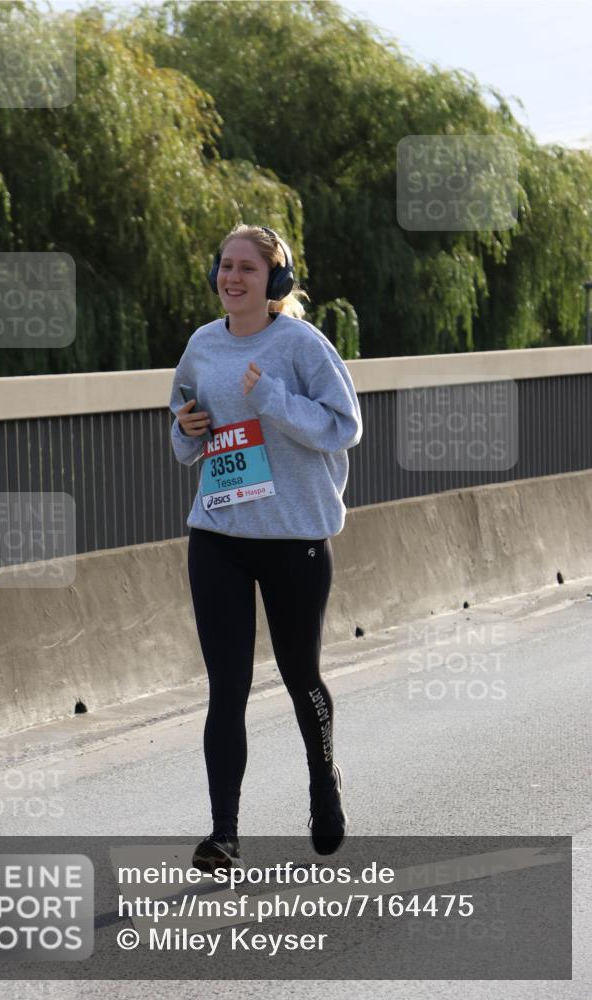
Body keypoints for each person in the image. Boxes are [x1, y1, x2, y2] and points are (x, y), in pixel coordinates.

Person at [168, 223, 363, 873]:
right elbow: (185, 436)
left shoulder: (301, 345)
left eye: (248, 268)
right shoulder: (200, 346)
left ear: (274, 281)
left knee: (299, 672)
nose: (233, 277)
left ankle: (323, 780)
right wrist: (187, 428)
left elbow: (344, 427)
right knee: (227, 686)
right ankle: (224, 834)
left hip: (294, 536)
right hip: (219, 534)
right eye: (225, 266)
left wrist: (272, 399)